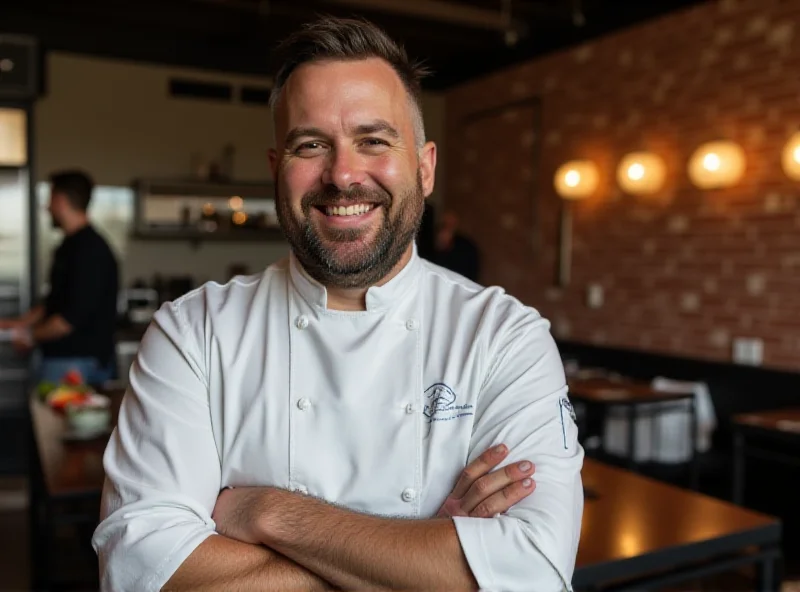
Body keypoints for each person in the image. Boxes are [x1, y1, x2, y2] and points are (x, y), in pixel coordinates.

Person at [92, 17, 583, 592]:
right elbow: (138, 570)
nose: (344, 175)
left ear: (424, 168)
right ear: (279, 172)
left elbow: (536, 574)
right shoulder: (193, 332)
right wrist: (423, 559)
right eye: (311, 145)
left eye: (373, 140)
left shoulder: (505, 336)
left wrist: (269, 515)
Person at [0, 170, 119, 385]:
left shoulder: (90, 251)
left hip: (77, 364)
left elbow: (69, 319)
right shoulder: (68, 247)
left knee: (57, 419)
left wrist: (30, 335)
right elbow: (53, 303)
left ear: (60, 200)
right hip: (62, 360)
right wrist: (15, 324)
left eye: (50, 200)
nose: (47, 208)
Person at [432, 209, 481, 282]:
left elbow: (472, 272)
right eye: (444, 224)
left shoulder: (466, 246)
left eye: (450, 224)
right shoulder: (430, 241)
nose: (447, 227)